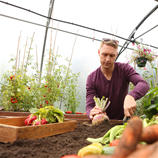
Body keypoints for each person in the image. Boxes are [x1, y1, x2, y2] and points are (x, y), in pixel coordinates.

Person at [86, 38, 149, 120]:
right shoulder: (92, 78)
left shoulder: (125, 69)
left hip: (122, 121)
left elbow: (143, 84)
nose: (108, 59)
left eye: (111, 55)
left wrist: (131, 96)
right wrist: (91, 112)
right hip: (101, 122)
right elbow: (90, 105)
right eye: (104, 54)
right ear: (99, 52)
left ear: (116, 55)